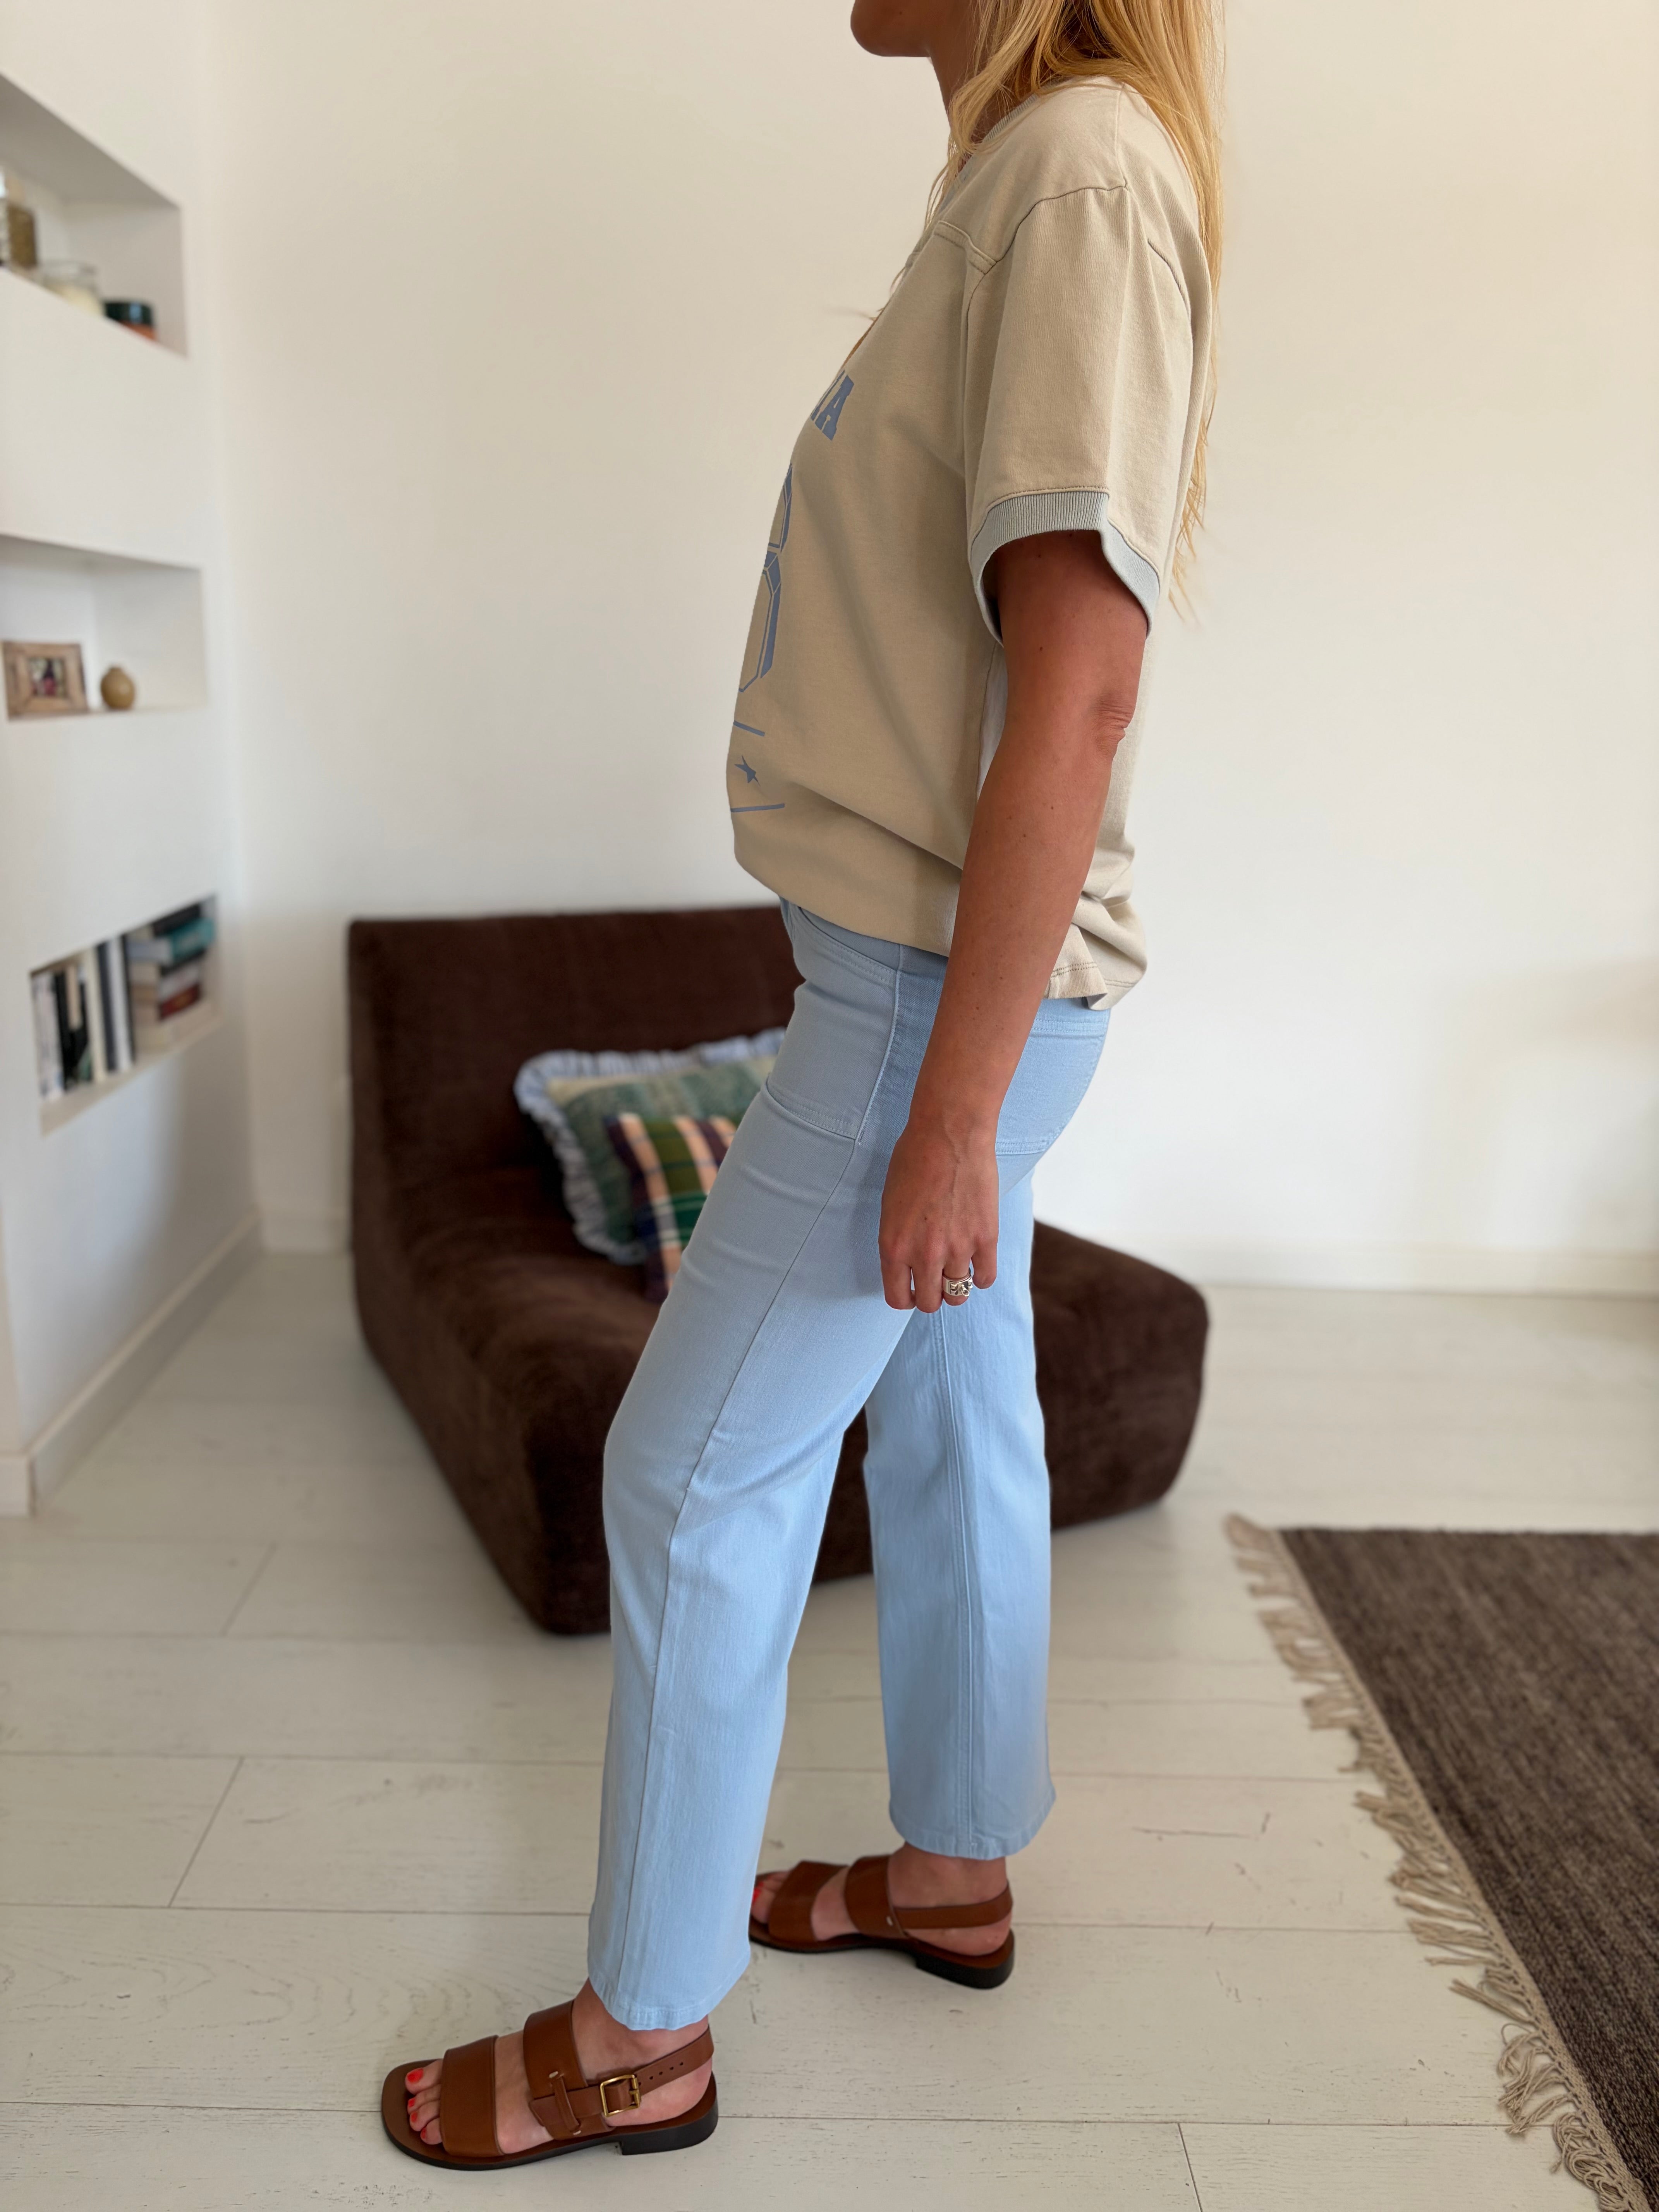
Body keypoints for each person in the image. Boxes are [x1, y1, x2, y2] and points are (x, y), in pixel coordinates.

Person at [385, 0, 1220, 2170]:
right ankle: (952, 1870)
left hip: (938, 998)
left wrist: (948, 1107)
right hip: (935, 982)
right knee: (952, 1398)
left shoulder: (1078, 173)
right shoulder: (1030, 173)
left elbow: (1082, 684)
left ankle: (637, 2035)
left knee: (687, 1477)